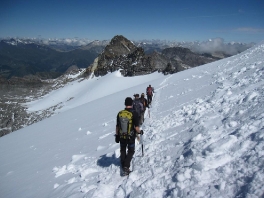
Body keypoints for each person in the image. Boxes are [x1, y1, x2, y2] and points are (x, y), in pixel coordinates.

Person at [115, 97, 141, 176]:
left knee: (122, 150)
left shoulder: (120, 113)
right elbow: (136, 127)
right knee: (131, 151)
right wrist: (140, 132)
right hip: (130, 136)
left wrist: (117, 136)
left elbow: (117, 126)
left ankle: (123, 164)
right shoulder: (134, 113)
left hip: (122, 136)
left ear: (125, 104)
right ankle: (126, 166)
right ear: (132, 104)